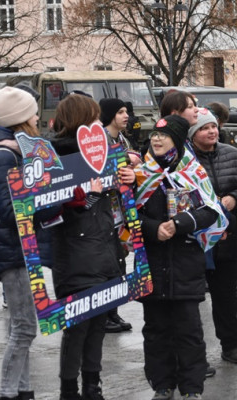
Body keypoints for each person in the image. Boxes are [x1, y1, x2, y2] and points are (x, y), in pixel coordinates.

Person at [134, 114, 226, 399]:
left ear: (177, 139)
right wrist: (152, 229)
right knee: (156, 330)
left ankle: (191, 388)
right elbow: (127, 215)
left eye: (164, 135)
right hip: (152, 263)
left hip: (186, 264)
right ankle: (162, 385)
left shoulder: (193, 172)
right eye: (154, 135)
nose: (156, 139)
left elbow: (212, 210)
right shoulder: (140, 173)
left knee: (189, 331)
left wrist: (180, 223)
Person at [50, 94, 133, 400]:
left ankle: (93, 385)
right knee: (79, 326)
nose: (100, 124)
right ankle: (69, 388)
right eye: (95, 117)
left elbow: (118, 196)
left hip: (105, 246)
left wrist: (126, 179)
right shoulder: (56, 157)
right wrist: (87, 196)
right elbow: (50, 211)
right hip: (76, 252)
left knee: (99, 323)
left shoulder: (104, 154)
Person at [0, 86, 59, 400]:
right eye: (33, 112)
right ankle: (6, 393)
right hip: (13, 249)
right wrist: (51, 202)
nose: (38, 117)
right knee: (25, 327)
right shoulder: (3, 156)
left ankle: (23, 390)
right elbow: (12, 211)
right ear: (20, 119)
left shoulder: (17, 151)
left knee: (21, 326)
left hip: (24, 249)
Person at [187, 109, 237, 365]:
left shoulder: (233, 154)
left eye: (213, 126)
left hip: (227, 235)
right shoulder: (185, 159)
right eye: (204, 128)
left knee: (226, 293)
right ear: (193, 134)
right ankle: (194, 353)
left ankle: (231, 345)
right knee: (191, 298)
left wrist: (235, 197)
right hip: (195, 237)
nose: (211, 131)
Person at [98, 97, 134, 334]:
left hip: (120, 209)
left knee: (120, 259)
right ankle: (104, 315)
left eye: (126, 111)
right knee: (107, 263)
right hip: (105, 209)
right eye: (121, 112)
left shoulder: (122, 139)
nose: (126, 115)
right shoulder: (100, 140)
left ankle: (113, 311)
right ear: (110, 115)